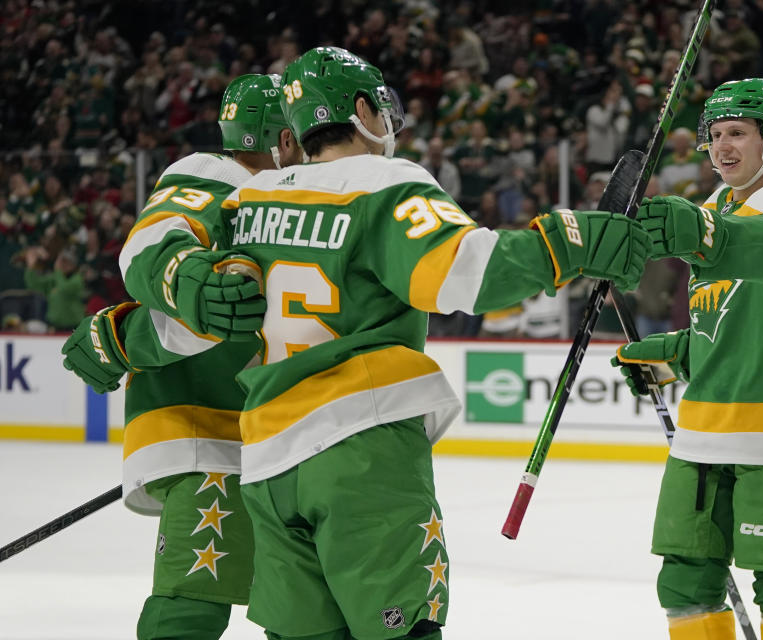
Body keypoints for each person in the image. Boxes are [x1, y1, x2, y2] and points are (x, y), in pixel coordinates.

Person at [218, 46, 651, 640]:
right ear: (363, 109)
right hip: (358, 450)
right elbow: (472, 274)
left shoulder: (247, 201)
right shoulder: (384, 183)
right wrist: (574, 240)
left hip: (265, 460)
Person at [60, 73, 301, 640]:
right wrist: (165, 311)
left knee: (302, 611)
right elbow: (157, 253)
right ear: (280, 137)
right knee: (192, 606)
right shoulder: (214, 178)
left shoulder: (301, 200)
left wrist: (124, 336)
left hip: (285, 441)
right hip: (210, 434)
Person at [613, 78, 763, 640]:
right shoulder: (711, 212)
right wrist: (668, 357)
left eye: (737, 133)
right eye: (714, 136)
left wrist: (705, 233)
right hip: (702, 432)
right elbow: (721, 331)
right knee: (683, 586)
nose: (722, 148)